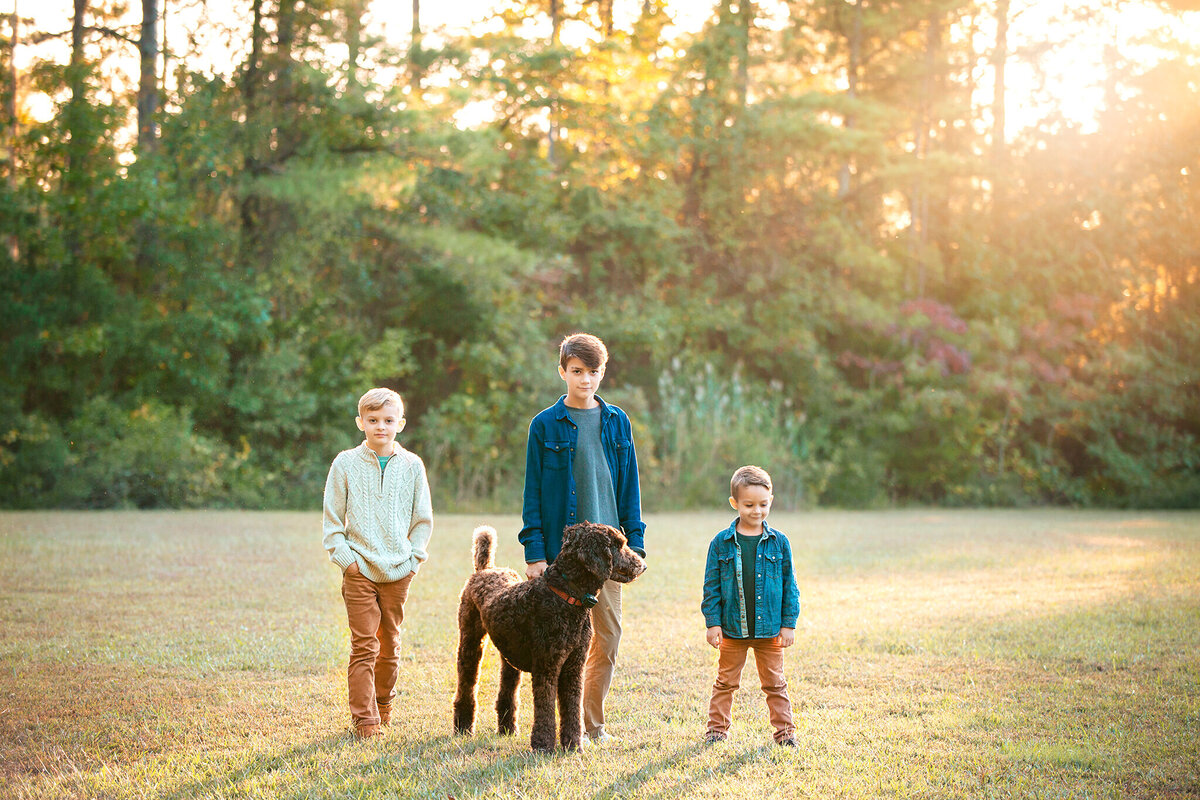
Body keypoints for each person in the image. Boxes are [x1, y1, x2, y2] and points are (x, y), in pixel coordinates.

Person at [519, 332, 646, 744]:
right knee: (550, 646)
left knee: (606, 639)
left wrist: (635, 542)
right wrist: (535, 550)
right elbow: (533, 493)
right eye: (577, 371)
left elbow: (630, 487)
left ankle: (592, 725)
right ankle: (555, 728)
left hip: (609, 555)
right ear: (562, 371)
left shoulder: (617, 421)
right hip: (562, 558)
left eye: (593, 372)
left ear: (602, 372)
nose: (585, 380)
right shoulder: (544, 425)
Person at [322, 387, 433, 740]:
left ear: (400, 423)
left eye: (387, 420)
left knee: (390, 645)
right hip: (359, 570)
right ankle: (365, 720)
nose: (380, 427)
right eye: (372, 420)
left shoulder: (413, 465)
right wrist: (346, 559)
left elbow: (423, 520)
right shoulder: (345, 463)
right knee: (364, 645)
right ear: (361, 423)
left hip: (399, 571)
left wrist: (414, 559)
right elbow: (332, 519)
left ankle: (383, 705)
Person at [701, 465, 800, 746]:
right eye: (749, 505)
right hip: (732, 629)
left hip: (770, 630)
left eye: (763, 504)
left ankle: (785, 734)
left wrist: (788, 624)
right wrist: (713, 623)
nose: (756, 511)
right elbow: (712, 586)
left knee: (775, 684)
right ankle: (716, 731)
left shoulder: (779, 543)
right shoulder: (721, 543)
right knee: (725, 682)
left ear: (771, 501)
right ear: (735, 503)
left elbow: (789, 586)